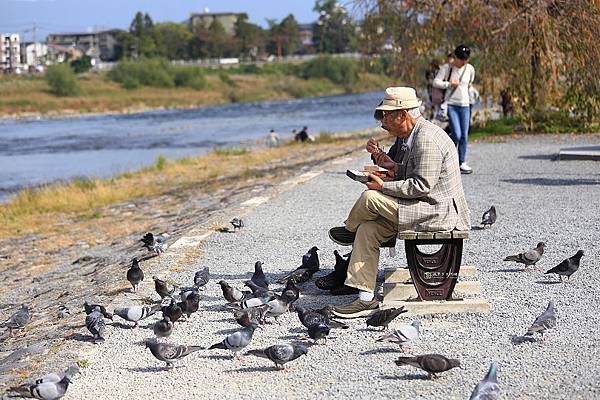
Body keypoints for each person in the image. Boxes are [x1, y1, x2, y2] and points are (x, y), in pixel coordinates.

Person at [327, 87, 471, 318]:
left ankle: (348, 230)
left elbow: (422, 186)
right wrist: (395, 167)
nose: (383, 122)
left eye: (386, 116)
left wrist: (383, 186)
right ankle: (365, 299)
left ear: (402, 114)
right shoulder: (415, 135)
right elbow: (415, 175)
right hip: (420, 208)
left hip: (436, 213)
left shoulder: (427, 140)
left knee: (370, 197)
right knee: (368, 229)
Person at [433, 45, 475, 174]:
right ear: (455, 57)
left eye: (466, 59)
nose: (463, 62)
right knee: (456, 134)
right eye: (461, 59)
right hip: (451, 104)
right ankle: (447, 157)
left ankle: (461, 162)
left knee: (464, 136)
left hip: (465, 105)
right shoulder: (447, 68)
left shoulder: (470, 69)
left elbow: (470, 83)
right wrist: (449, 84)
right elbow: (436, 82)